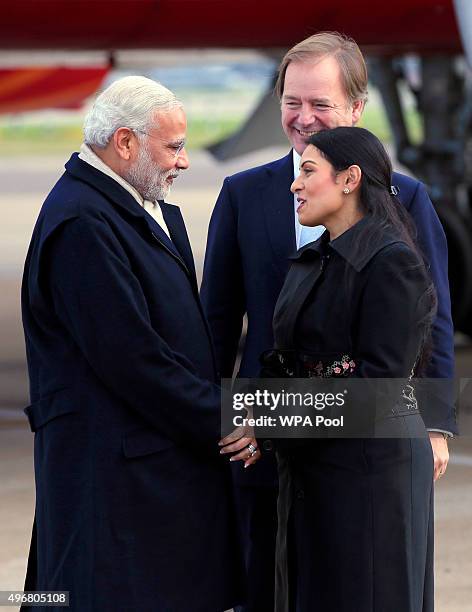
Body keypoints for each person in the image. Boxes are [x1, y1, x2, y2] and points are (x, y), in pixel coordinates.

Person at [201, 32, 457, 612]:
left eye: (321, 104)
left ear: (356, 111)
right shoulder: (243, 194)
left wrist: (437, 423)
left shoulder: (406, 200)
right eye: (293, 102)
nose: (304, 118)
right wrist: (214, 416)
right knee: (269, 584)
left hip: (358, 447)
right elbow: (218, 320)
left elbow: (431, 321)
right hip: (263, 442)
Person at [21, 76, 244, 612]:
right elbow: (134, 360)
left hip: (155, 468)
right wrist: (226, 419)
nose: (183, 162)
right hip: (118, 482)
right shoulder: (81, 221)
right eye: (174, 147)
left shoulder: (143, 205)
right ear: (125, 143)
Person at [267, 126, 436, 611]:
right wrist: (254, 416)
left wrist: (273, 421)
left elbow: (376, 387)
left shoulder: (391, 263)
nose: (296, 184)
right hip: (314, 469)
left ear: (350, 179)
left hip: (372, 475)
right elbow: (287, 361)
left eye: (308, 171)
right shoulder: (313, 259)